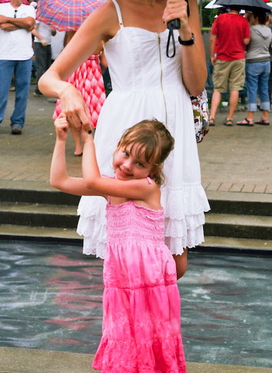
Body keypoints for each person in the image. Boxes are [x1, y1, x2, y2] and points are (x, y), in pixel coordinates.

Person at [38, 0, 209, 278]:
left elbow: (196, 85)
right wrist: (67, 89)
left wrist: (186, 29)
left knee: (176, 262)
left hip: (173, 128)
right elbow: (49, 77)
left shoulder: (186, 1)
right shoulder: (109, 11)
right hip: (127, 126)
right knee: (126, 246)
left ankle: (156, 323)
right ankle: (128, 323)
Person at [50, 117, 185, 372]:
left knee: (147, 335)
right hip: (122, 276)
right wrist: (60, 140)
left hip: (149, 277)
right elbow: (60, 181)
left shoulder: (145, 188)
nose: (127, 165)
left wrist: (88, 138)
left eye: (140, 163)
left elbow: (91, 181)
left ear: (153, 170)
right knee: (122, 331)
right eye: (125, 154)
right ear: (119, 145)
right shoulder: (113, 187)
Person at [0, 0, 36, 136]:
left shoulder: (29, 8)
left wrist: (10, 20)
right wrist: (24, 25)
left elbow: (29, 23)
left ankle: (17, 123)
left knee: (22, 92)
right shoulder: (0, 7)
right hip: (4, 55)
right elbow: (3, 25)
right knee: (0, 91)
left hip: (24, 55)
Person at [53, 30, 106, 157]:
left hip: (73, 72)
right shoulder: (100, 35)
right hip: (92, 75)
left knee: (71, 110)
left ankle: (78, 146)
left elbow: (63, 55)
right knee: (91, 109)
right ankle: (90, 143)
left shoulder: (71, 33)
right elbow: (105, 62)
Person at [209, 5, 250, 126]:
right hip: (238, 58)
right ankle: (230, 118)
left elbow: (212, 38)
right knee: (235, 88)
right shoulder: (243, 21)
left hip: (222, 57)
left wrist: (212, 55)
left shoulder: (220, 19)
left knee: (218, 89)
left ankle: (212, 117)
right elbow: (246, 41)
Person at [238, 9, 271, 126]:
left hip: (253, 61)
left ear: (256, 18)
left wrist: (245, 17)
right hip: (266, 61)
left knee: (252, 89)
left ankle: (250, 117)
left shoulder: (251, 30)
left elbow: (246, 42)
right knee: (264, 89)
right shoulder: (269, 30)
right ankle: (265, 116)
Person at [31, 19, 55, 97]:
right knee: (41, 67)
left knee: (48, 67)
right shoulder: (39, 18)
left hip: (48, 43)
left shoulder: (51, 19)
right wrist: (41, 39)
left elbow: (54, 34)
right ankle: (38, 90)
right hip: (39, 43)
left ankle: (46, 88)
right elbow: (33, 30)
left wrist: (53, 30)